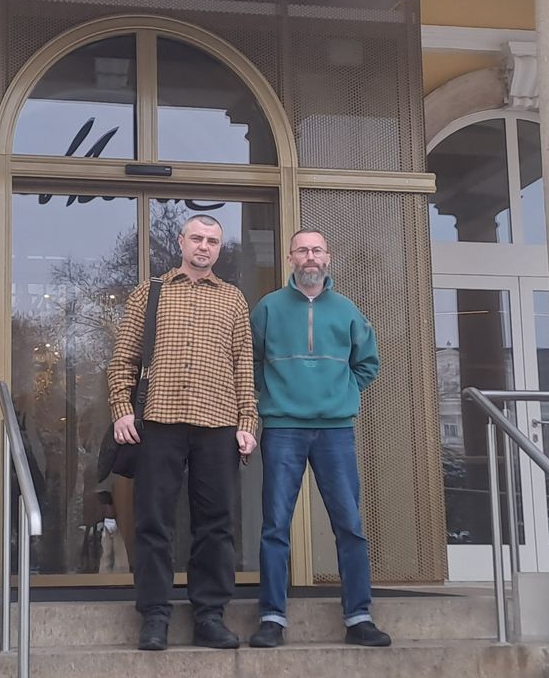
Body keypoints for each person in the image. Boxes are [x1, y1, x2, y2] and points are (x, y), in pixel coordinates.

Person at [106, 214, 258, 651]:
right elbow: (123, 359)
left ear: (219, 248)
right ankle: (155, 616)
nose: (204, 246)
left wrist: (248, 423)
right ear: (181, 242)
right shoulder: (150, 292)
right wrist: (122, 410)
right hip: (159, 421)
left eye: (212, 241)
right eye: (197, 238)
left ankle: (210, 616)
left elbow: (244, 367)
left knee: (216, 525)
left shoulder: (233, 299)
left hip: (219, 424)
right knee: (153, 521)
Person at [247, 228, 391, 649]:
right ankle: (272, 618)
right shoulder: (268, 308)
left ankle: (359, 618)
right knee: (275, 526)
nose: (310, 257)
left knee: (349, 525)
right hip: (282, 427)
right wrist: (274, 394)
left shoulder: (347, 310)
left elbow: (368, 363)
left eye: (317, 250)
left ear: (327, 257)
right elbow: (249, 360)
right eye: (302, 250)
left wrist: (341, 394)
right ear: (290, 258)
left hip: (336, 430)